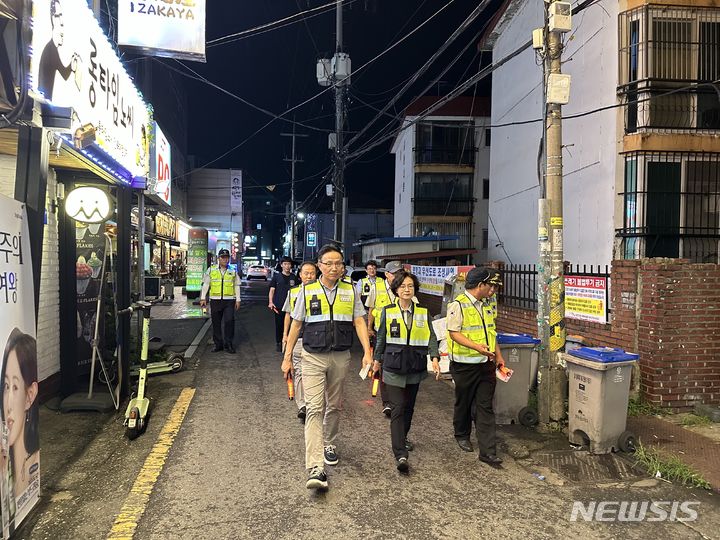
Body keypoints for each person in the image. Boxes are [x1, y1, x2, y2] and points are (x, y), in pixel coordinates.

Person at [282, 244, 372, 490]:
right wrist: (288, 356)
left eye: (338, 263)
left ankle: (329, 443)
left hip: (340, 356)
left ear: (343, 267)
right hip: (312, 356)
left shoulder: (350, 290)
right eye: (329, 263)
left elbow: (359, 321)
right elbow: (297, 325)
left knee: (334, 404)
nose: (334, 267)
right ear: (319, 265)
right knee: (314, 408)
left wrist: (367, 352)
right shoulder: (307, 291)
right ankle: (316, 467)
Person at [373, 271, 441, 473]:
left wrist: (435, 357)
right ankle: (400, 453)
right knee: (398, 407)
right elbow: (381, 338)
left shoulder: (422, 312)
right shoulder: (388, 311)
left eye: (410, 286)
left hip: (415, 365)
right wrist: (376, 359)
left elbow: (431, 336)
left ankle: (402, 437)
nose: (407, 289)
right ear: (396, 289)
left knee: (409, 407)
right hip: (393, 365)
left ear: (415, 289)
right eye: (402, 286)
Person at [446, 267, 505, 466]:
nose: (494, 290)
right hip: (464, 365)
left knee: (485, 406)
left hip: (486, 364)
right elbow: (454, 333)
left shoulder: (487, 305)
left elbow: (492, 332)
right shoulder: (458, 305)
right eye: (491, 286)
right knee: (464, 401)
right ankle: (462, 434)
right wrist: (476, 347)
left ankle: (488, 451)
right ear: (480, 285)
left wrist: (499, 356)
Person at [1, 329, 40, 532]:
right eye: (5, 386)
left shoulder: (34, 463)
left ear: (29, 395)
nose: (7, 403)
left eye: (15, 387)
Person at [365, 260, 404, 417]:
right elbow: (371, 309)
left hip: (400, 334)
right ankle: (387, 402)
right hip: (382, 333)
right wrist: (369, 328)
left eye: (399, 273)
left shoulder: (405, 287)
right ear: (387, 274)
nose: (397, 276)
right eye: (395, 273)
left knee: (400, 365)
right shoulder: (377, 287)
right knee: (382, 365)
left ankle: (399, 396)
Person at [281, 261, 318, 423]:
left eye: (312, 273)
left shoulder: (321, 292)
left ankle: (314, 403)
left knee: (316, 371)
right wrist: (285, 335)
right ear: (300, 275)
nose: (309, 276)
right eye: (306, 273)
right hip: (298, 337)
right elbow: (288, 315)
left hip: (317, 338)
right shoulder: (293, 292)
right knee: (300, 372)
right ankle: (303, 405)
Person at [200, 249, 241, 354]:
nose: (225, 259)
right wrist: (203, 298)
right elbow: (206, 284)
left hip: (229, 301)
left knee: (229, 322)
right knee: (216, 323)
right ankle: (218, 344)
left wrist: (238, 299)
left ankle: (229, 344)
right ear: (218, 258)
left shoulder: (232, 271)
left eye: (227, 257)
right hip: (215, 300)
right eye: (223, 257)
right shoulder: (211, 270)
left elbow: (237, 286)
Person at [37, 0, 80, 101]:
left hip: (45, 104)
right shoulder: (50, 50)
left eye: (61, 16)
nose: (62, 22)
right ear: (52, 18)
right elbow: (65, 74)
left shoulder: (52, 49)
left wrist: (71, 66)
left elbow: (64, 73)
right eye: (57, 16)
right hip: (43, 105)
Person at [269, 257, 297, 352]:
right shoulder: (276, 277)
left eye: (289, 264)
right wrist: (271, 302)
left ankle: (289, 343)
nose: (287, 266)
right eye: (285, 264)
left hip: (292, 307)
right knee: (279, 325)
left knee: (292, 325)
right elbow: (272, 290)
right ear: (281, 265)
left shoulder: (294, 277)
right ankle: (279, 343)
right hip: (279, 305)